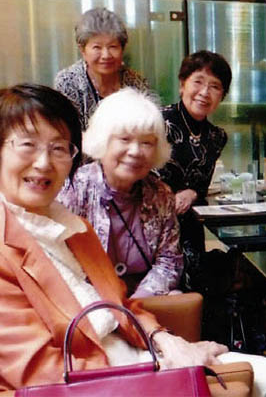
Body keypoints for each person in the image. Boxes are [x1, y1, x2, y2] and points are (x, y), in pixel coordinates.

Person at [0, 84, 266, 395]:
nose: (44, 163)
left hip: (127, 351)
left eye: (58, 148)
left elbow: (121, 302)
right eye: (27, 146)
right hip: (93, 381)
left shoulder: (70, 227)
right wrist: (162, 369)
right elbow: (41, 376)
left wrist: (166, 342)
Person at [57, 88, 182, 299]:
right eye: (124, 139)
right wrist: (108, 308)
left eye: (146, 143)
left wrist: (137, 303)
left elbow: (170, 262)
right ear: (103, 140)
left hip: (142, 300)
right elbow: (58, 262)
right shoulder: (74, 188)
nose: (135, 151)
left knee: (177, 298)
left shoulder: (161, 195)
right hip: (89, 301)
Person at [155, 50, 230, 289]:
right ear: (182, 84)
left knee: (196, 291)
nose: (205, 92)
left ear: (222, 96)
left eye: (215, 86)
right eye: (198, 82)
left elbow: (202, 185)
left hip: (189, 228)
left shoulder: (216, 137)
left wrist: (193, 192)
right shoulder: (157, 122)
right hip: (152, 224)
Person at [54, 7, 157, 129]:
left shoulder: (136, 83)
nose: (106, 55)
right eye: (97, 47)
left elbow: (147, 127)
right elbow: (68, 131)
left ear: (122, 49)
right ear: (82, 50)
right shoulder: (68, 82)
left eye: (113, 47)